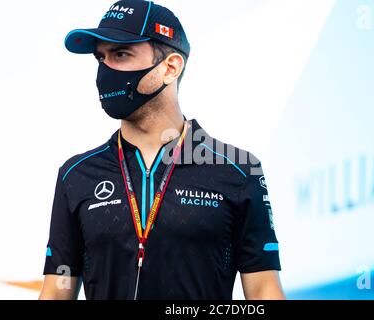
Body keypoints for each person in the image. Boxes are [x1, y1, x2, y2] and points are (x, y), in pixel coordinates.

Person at [39, 0, 285, 300]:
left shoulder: (238, 171)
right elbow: (56, 291)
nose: (105, 70)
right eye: (100, 58)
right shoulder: (75, 175)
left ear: (170, 67)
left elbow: (263, 291)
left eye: (120, 54)